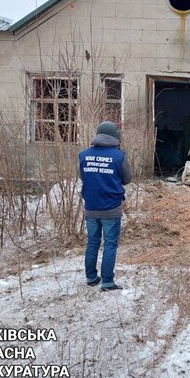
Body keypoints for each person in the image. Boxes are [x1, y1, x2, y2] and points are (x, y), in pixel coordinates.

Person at [79, 121, 132, 291]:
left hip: (91, 207)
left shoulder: (84, 155)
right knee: (110, 244)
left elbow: (83, 177)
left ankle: (91, 277)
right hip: (111, 207)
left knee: (92, 242)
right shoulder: (119, 156)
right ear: (115, 136)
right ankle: (107, 282)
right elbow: (127, 179)